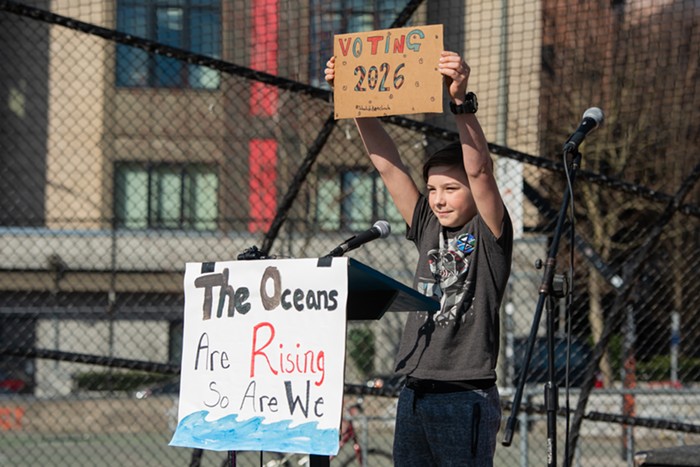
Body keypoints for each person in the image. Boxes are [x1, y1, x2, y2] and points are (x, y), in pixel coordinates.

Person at [325, 51, 513, 466]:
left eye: (451, 188)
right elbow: (388, 166)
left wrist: (460, 102)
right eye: (432, 189)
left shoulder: (488, 231)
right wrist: (352, 97)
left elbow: (481, 172)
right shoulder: (428, 224)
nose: (439, 199)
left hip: (464, 394)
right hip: (413, 389)